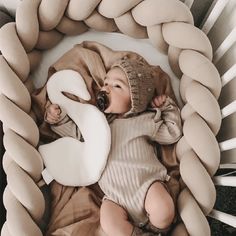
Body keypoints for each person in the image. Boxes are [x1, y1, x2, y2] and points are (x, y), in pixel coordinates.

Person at [44, 57, 182, 236]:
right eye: (105, 83)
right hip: (115, 199)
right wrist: (58, 119)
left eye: (117, 86)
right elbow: (75, 133)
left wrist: (167, 108)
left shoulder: (145, 120)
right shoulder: (97, 123)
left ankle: (159, 230)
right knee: (109, 223)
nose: (105, 89)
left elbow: (172, 132)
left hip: (147, 184)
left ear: (135, 100)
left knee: (163, 209)